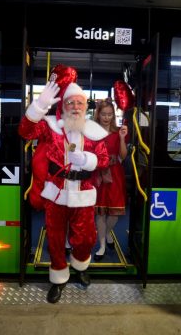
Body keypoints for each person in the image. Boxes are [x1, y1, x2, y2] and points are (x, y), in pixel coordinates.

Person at [18, 64, 109, 303]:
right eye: (71, 103)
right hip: (56, 194)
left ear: (85, 106)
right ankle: (58, 278)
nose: (76, 107)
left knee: (87, 238)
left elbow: (105, 159)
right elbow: (25, 131)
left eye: (80, 103)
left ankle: (80, 266)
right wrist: (39, 105)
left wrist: (89, 160)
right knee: (56, 240)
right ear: (63, 105)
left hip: (84, 194)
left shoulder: (93, 130)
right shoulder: (49, 126)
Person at [93, 99, 128, 261]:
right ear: (98, 114)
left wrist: (122, 138)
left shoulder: (118, 131)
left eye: (109, 114)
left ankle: (107, 233)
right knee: (99, 212)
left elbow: (123, 156)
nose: (106, 117)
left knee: (114, 212)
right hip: (98, 173)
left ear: (113, 115)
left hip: (115, 174)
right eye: (103, 114)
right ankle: (101, 244)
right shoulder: (91, 132)